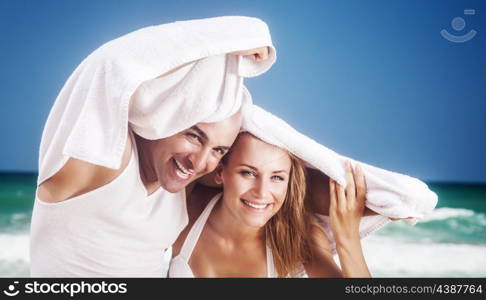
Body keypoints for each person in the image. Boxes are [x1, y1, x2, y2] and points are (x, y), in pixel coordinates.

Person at [29, 16, 275, 277]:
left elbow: (284, 168)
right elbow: (110, 65)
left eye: (219, 150)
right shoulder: (103, 163)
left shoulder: (182, 180)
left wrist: (325, 164)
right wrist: (237, 34)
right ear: (164, 117)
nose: (201, 162)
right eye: (194, 136)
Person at [169, 132, 371, 277]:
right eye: (248, 173)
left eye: (277, 177)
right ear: (221, 172)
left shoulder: (300, 239)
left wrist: (347, 239)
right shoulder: (188, 207)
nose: (261, 192)